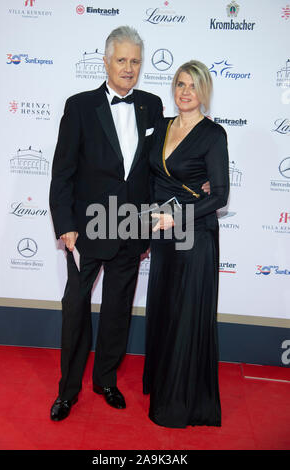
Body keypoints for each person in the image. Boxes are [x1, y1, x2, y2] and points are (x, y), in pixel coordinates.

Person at [49, 26, 164, 421]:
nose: (128, 68)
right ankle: (68, 390)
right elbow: (62, 172)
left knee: (118, 309)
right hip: (85, 230)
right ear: (106, 61)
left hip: (131, 228)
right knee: (76, 308)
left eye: (135, 61)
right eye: (121, 60)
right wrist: (65, 225)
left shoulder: (152, 105)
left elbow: (152, 174)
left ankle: (105, 380)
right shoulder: (80, 106)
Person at [143, 60, 230, 428]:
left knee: (184, 316)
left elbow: (220, 195)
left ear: (204, 92)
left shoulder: (213, 134)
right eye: (180, 84)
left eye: (193, 86)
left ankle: (180, 403)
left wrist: (177, 218)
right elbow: (149, 176)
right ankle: (163, 383)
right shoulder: (162, 126)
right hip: (162, 236)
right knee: (163, 310)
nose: (185, 92)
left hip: (194, 237)